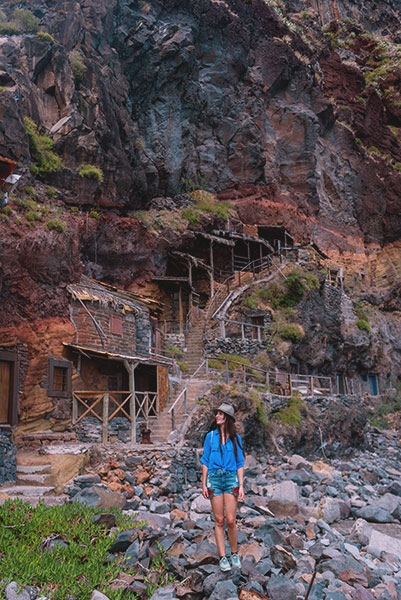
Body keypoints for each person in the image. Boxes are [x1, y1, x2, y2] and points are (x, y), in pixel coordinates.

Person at [200, 402, 245, 572]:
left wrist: (241, 486)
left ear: (227, 418)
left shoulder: (236, 439)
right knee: (219, 520)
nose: (217, 416)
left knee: (231, 520)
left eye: (221, 414)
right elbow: (205, 460)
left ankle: (234, 553)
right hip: (214, 479)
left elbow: (240, 463)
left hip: (230, 478)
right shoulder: (210, 437)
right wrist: (203, 483)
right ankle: (223, 557)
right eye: (217, 413)